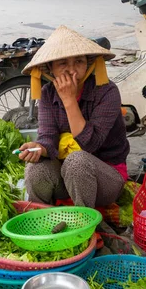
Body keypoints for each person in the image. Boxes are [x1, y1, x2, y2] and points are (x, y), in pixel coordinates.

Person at [18, 25, 129, 209]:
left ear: (88, 64)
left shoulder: (107, 92)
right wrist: (38, 148)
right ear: (50, 69)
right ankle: (42, 221)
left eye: (79, 62)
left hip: (106, 177)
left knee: (77, 161)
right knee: (35, 169)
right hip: (66, 175)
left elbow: (91, 144)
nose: (72, 70)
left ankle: (84, 226)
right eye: (63, 64)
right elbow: (48, 139)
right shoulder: (48, 93)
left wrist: (69, 99)